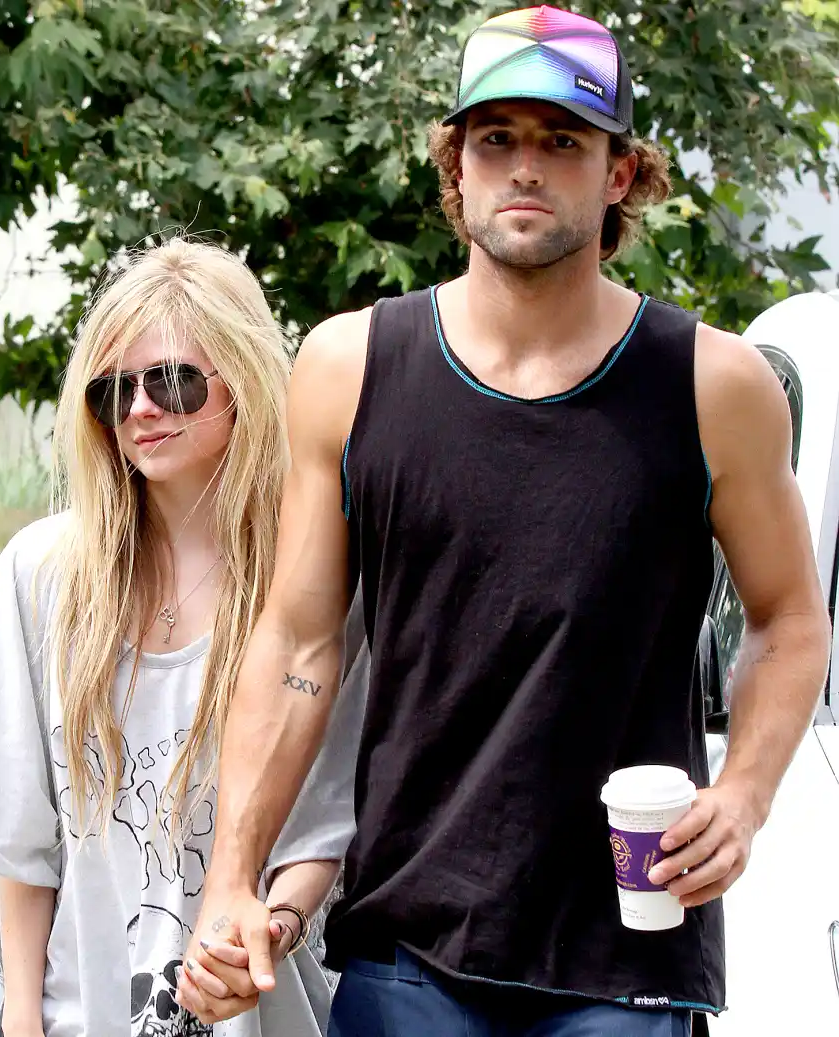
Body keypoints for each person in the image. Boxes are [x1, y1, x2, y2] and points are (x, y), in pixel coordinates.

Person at [176, 6, 832, 1037]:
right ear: (458, 168)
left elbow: (790, 617)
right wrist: (229, 881)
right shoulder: (351, 368)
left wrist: (743, 796)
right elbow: (298, 643)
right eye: (497, 139)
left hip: (628, 953)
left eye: (562, 141)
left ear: (617, 174)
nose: (525, 166)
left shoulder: (713, 385)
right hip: (407, 947)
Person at [0, 237, 364, 1037]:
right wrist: (23, 1022)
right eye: (111, 392)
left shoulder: (316, 586)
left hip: (271, 1013)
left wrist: (272, 927)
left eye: (172, 381)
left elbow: (329, 820)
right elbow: (18, 844)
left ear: (243, 385)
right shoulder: (43, 576)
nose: (139, 410)